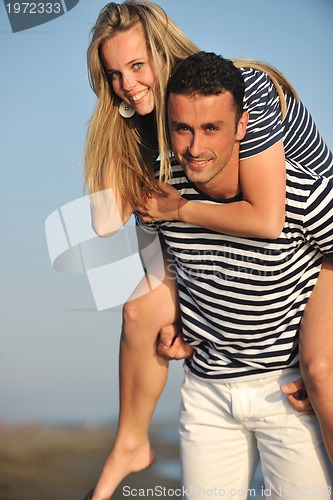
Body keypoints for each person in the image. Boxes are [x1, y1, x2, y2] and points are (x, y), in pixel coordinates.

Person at [83, 2, 333, 499]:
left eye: (137, 66)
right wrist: (189, 315)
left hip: (320, 245)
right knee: (140, 309)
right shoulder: (167, 135)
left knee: (322, 370)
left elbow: (266, 217)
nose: (127, 85)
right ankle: (131, 442)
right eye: (113, 75)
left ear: (162, 50)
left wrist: (179, 211)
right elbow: (111, 224)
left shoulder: (240, 93)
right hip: (220, 358)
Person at [139, 51, 333, 498]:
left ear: (242, 127)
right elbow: (161, 275)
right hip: (207, 394)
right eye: (182, 128)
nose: (194, 148)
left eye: (211, 128)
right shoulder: (161, 188)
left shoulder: (297, 193)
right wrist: (176, 321)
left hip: (288, 394)